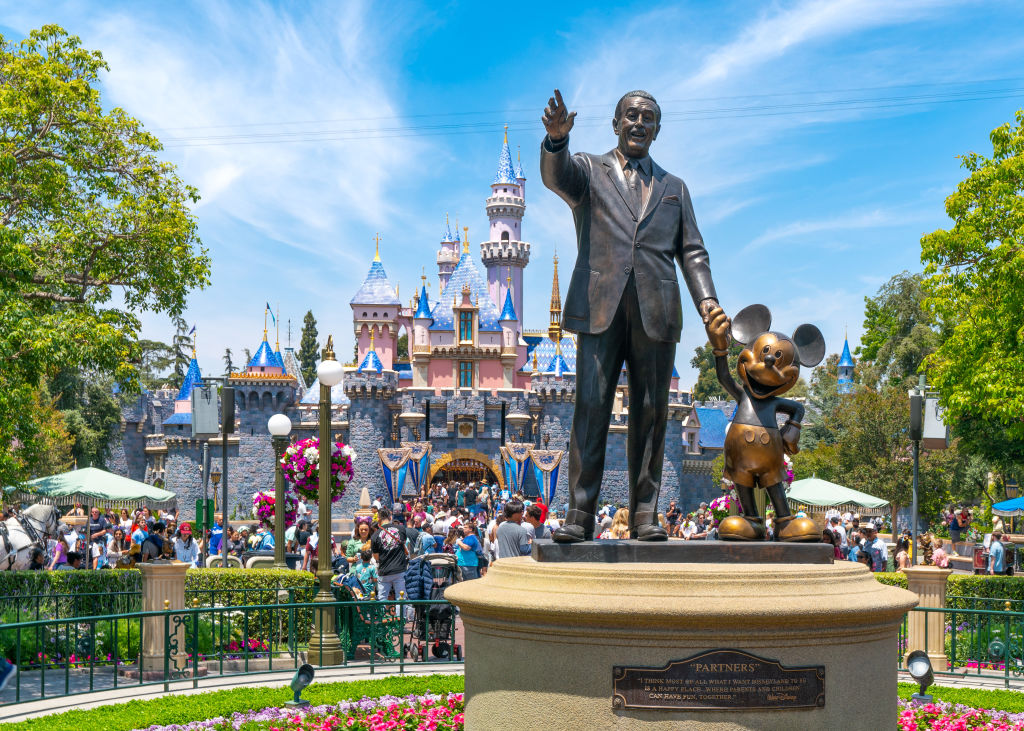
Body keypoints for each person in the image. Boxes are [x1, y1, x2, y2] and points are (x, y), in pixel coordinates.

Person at [542, 89, 720, 543]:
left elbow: (693, 252)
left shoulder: (674, 188)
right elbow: (557, 178)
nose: (639, 123)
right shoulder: (588, 170)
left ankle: (645, 514)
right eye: (632, 116)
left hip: (656, 310)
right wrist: (557, 142)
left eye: (648, 118)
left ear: (657, 130)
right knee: (590, 409)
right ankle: (580, 515)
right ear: (616, 123)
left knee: (651, 413)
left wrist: (708, 303)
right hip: (599, 307)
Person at [371, 507, 411, 600]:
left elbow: (376, 557)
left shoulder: (375, 535)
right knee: (401, 597)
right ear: (390, 517)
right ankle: (400, 615)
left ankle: (382, 614)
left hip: (384, 571)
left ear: (379, 519)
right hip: (399, 569)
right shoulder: (401, 529)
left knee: (382, 598)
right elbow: (403, 543)